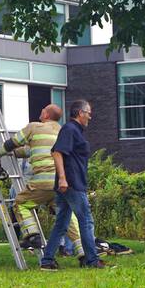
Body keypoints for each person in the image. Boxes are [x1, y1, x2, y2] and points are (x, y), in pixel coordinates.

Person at [0, 104, 87, 260]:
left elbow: (12, 143)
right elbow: (29, 150)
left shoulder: (34, 127)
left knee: (20, 203)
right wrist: (17, 153)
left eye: (42, 111)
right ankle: (82, 250)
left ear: (46, 115)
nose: (40, 113)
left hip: (43, 182)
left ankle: (32, 235)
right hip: (62, 182)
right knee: (65, 214)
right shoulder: (63, 131)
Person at [40, 100, 106, 270]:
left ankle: (47, 261)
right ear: (80, 113)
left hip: (69, 184)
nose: (90, 116)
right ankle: (92, 260)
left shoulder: (75, 131)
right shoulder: (70, 129)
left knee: (62, 223)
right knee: (86, 221)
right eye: (88, 113)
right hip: (71, 184)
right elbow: (57, 152)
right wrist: (62, 178)